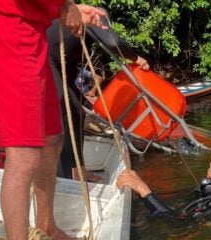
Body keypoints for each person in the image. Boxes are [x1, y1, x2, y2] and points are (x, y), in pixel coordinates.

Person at [0, 1, 107, 239]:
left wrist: (66, 7)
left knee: (52, 138)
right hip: (8, 25)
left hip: (31, 28)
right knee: (24, 153)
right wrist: (65, 6)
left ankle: (46, 225)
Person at [47, 11, 149, 181]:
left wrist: (85, 99)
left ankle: (79, 170)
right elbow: (113, 41)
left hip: (57, 64)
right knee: (63, 115)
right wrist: (135, 57)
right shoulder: (94, 15)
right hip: (42, 57)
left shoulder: (79, 39)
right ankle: (65, 179)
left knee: (78, 113)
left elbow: (70, 73)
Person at [117, 152, 211, 218]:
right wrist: (143, 189)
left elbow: (174, 221)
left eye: (210, 166)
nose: (208, 168)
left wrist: (143, 189)